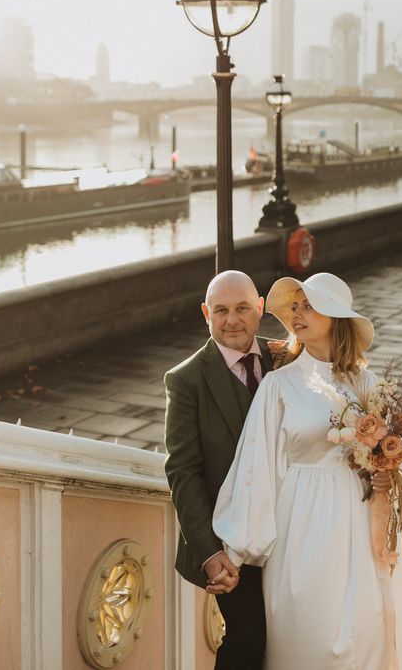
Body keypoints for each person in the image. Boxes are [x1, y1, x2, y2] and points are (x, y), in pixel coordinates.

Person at [212, 272, 402, 669]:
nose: (298, 313)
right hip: (301, 530)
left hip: (361, 528)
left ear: (336, 318)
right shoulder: (279, 385)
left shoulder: (369, 385)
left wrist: (385, 473)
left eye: (309, 305)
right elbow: (257, 469)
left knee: (366, 635)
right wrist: (237, 551)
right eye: (295, 307)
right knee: (308, 637)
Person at [164, 270, 273, 669]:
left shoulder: (287, 359)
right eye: (221, 311)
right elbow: (183, 471)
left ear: (259, 308)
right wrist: (209, 552)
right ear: (205, 313)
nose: (232, 320)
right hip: (229, 543)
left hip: (289, 533)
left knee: (289, 636)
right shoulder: (186, 380)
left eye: (242, 308)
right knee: (248, 640)